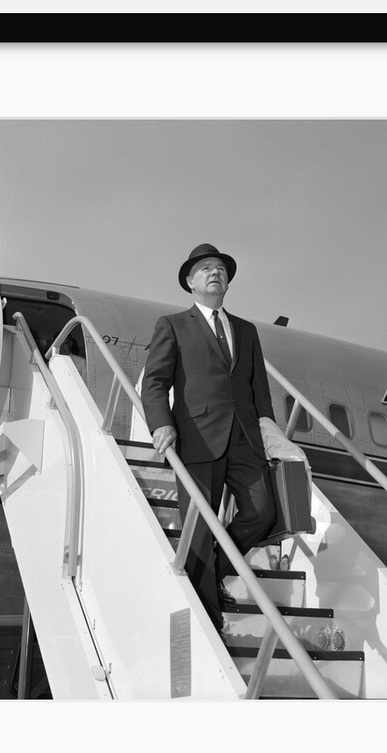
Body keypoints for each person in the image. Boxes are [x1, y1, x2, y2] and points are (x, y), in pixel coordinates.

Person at [141, 243, 276, 639]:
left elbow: (259, 390)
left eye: (220, 268)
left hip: (244, 439)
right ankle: (208, 620)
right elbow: (155, 383)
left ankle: (213, 570)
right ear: (190, 281)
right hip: (197, 437)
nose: (215, 273)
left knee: (262, 512)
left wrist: (269, 431)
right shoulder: (172, 325)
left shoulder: (246, 331)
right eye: (205, 269)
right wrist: (160, 424)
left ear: (228, 281)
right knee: (199, 525)